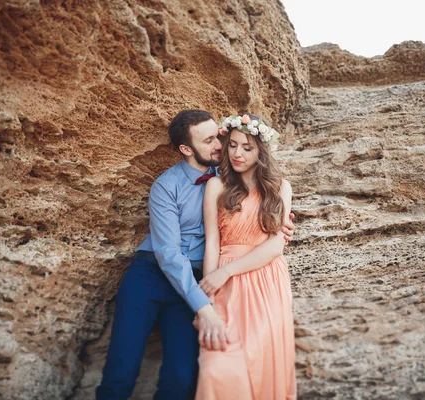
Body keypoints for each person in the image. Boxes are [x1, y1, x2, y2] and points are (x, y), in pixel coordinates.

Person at [96, 110, 294, 400]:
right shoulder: (166, 186)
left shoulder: (228, 177)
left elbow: (259, 209)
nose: (221, 146)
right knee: (121, 370)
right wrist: (204, 307)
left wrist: (282, 222)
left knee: (181, 378)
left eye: (220, 136)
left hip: (199, 278)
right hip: (152, 275)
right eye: (210, 140)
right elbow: (168, 254)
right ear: (186, 149)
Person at [195, 114, 297, 399]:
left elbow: (275, 246)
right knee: (215, 367)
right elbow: (212, 244)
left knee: (262, 363)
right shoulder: (216, 186)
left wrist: (226, 272)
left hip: (266, 281)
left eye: (247, 148)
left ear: (262, 152)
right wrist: (208, 300)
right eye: (233, 145)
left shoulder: (280, 188)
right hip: (224, 286)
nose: (237, 153)